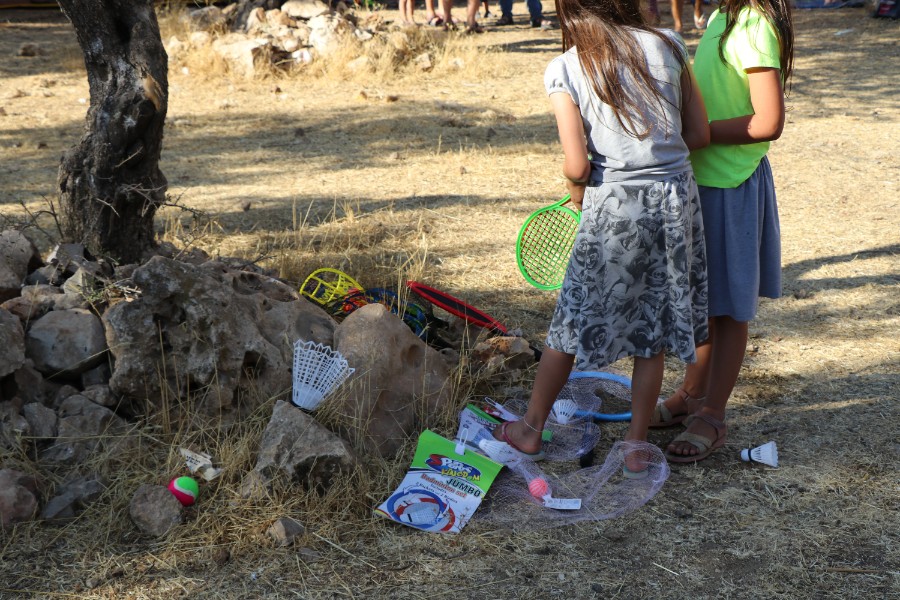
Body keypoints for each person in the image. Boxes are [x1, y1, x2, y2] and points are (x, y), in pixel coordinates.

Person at [493, 0, 710, 475]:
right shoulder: (671, 44)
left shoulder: (567, 66)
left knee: (571, 321)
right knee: (650, 329)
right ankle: (635, 445)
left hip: (614, 206)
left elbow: (577, 164)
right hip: (676, 202)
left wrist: (575, 194)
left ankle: (530, 427)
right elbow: (699, 133)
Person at [655, 0, 795, 463]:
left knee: (730, 308)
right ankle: (691, 395)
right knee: (707, 299)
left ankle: (712, 414)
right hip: (705, 180)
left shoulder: (754, 23)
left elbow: (768, 120)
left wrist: (698, 132)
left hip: (730, 183)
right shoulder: (722, 15)